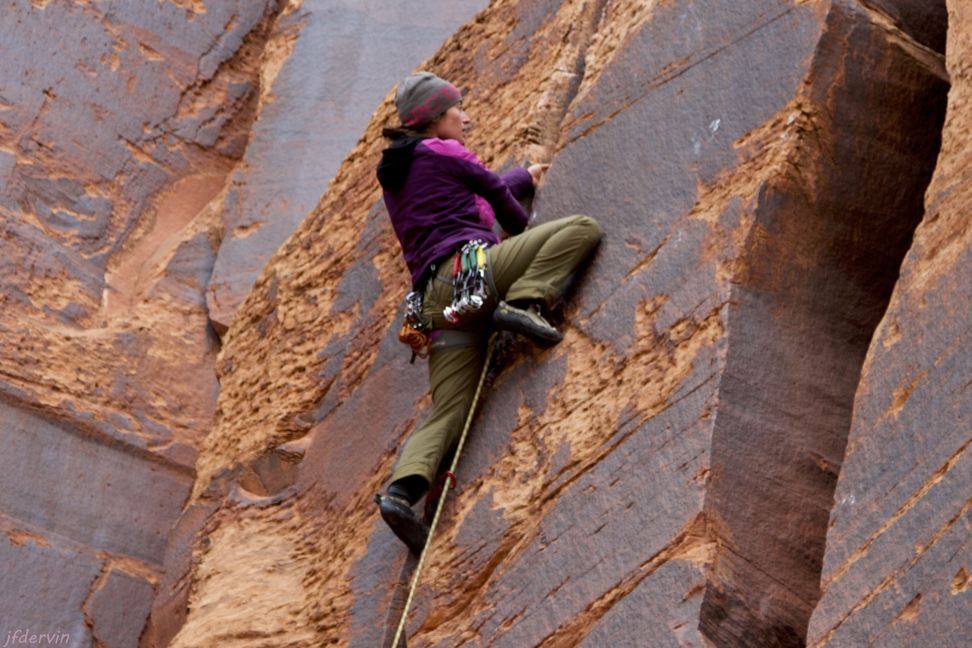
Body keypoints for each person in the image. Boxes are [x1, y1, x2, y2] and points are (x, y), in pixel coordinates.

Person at [375, 72, 602, 554]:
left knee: (448, 410)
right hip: (470, 274)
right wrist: (525, 228)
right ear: (436, 117)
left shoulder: (399, 173)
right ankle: (524, 303)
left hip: (433, 306)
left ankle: (400, 494)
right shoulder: (445, 151)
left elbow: (474, 193)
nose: (466, 117)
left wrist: (522, 178)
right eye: (457, 108)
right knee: (581, 228)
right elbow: (498, 201)